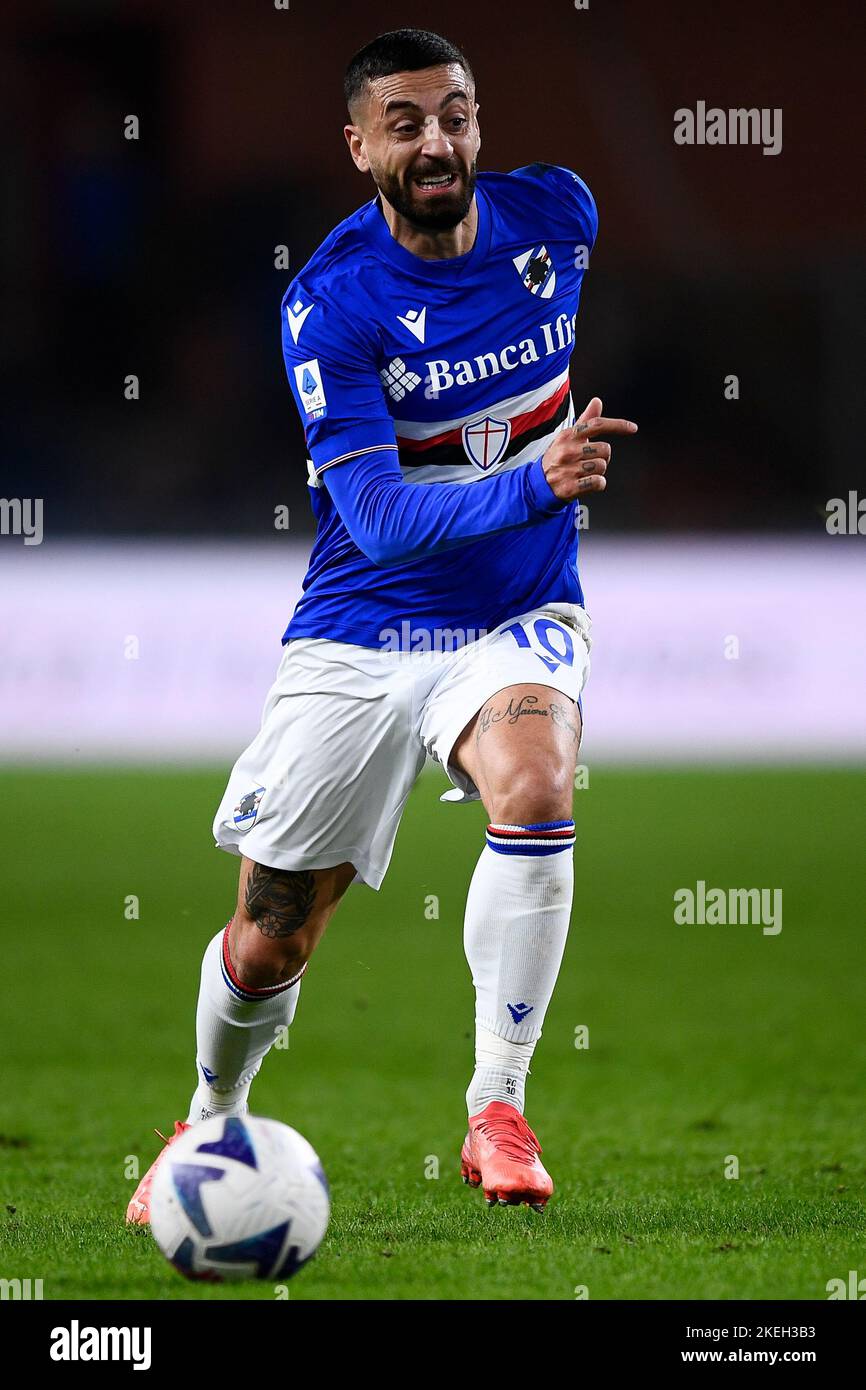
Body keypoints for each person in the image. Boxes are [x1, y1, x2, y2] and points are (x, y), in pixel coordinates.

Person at [127, 26, 637, 1223]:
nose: (435, 141)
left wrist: (533, 501)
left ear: (477, 122)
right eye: (402, 123)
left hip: (517, 613)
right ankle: (205, 1123)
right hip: (365, 625)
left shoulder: (558, 217)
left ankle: (496, 1109)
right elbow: (376, 513)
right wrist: (532, 481)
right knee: (268, 939)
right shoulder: (333, 302)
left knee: (535, 782)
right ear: (357, 147)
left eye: (453, 114)